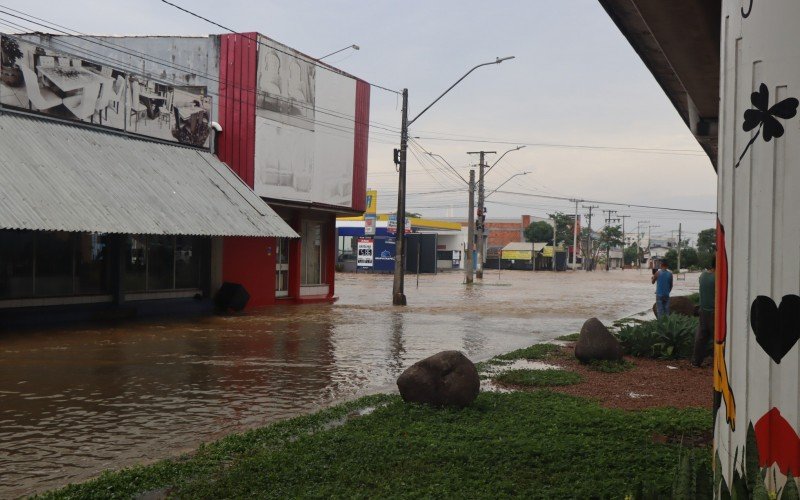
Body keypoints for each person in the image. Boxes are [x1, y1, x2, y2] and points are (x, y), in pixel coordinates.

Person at [692, 256, 716, 367]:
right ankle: (719, 362)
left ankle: (696, 362)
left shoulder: (702, 276)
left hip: (703, 311)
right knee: (718, 339)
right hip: (714, 313)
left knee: (701, 338)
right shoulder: (717, 278)